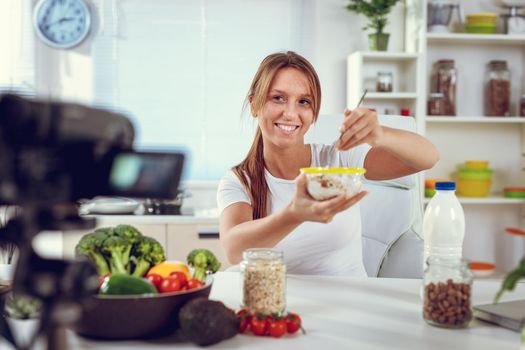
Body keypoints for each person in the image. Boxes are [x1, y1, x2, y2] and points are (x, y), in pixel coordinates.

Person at [217, 51, 439, 276]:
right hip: (279, 305)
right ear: (254, 105)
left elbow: (429, 157)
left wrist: (380, 134)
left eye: (304, 102)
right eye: (278, 98)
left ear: (313, 113)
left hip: (350, 302)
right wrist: (294, 214)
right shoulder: (238, 180)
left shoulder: (339, 159)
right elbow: (234, 251)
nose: (291, 113)